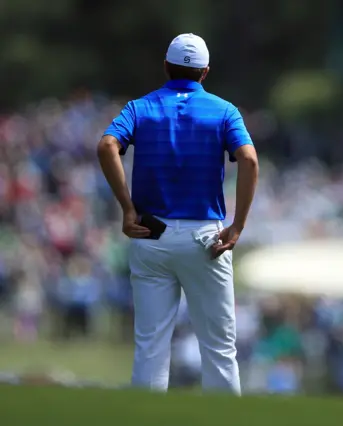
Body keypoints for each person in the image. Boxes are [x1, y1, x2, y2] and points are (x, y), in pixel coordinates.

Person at [97, 33, 259, 394]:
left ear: (166, 67)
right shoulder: (224, 110)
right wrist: (238, 225)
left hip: (150, 235)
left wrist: (127, 208)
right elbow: (248, 158)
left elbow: (108, 145)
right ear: (205, 72)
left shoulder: (140, 107)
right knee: (218, 349)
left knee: (151, 347)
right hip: (206, 237)